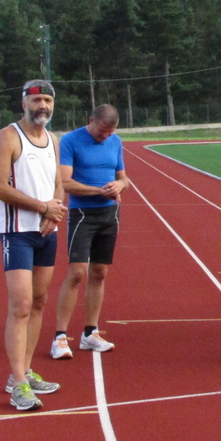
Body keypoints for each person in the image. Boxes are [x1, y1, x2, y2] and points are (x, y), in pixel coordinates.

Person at [0, 79, 67, 411]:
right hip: (16, 232)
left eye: (48, 100)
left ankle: (23, 371)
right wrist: (42, 207)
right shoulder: (9, 136)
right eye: (37, 100)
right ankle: (18, 384)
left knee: (38, 302)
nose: (43, 106)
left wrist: (56, 211)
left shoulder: (52, 139)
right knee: (20, 305)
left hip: (45, 233)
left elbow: (58, 184)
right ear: (23, 103)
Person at [50, 105, 128, 360]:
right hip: (83, 214)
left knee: (100, 272)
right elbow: (66, 182)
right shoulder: (71, 140)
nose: (104, 136)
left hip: (109, 215)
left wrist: (119, 185)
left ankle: (90, 333)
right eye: (101, 131)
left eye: (109, 132)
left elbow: (123, 178)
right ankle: (60, 337)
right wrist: (98, 191)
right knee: (76, 273)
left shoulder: (115, 141)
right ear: (90, 120)